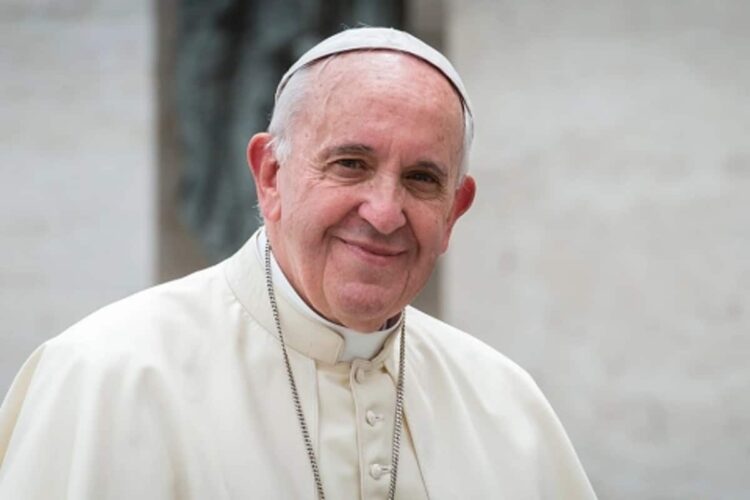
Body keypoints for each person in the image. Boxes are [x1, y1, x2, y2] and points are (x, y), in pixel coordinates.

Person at [0, 27, 596, 499]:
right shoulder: (108, 377)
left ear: (454, 213)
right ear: (271, 176)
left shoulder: (508, 408)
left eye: (421, 179)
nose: (385, 212)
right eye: (350, 164)